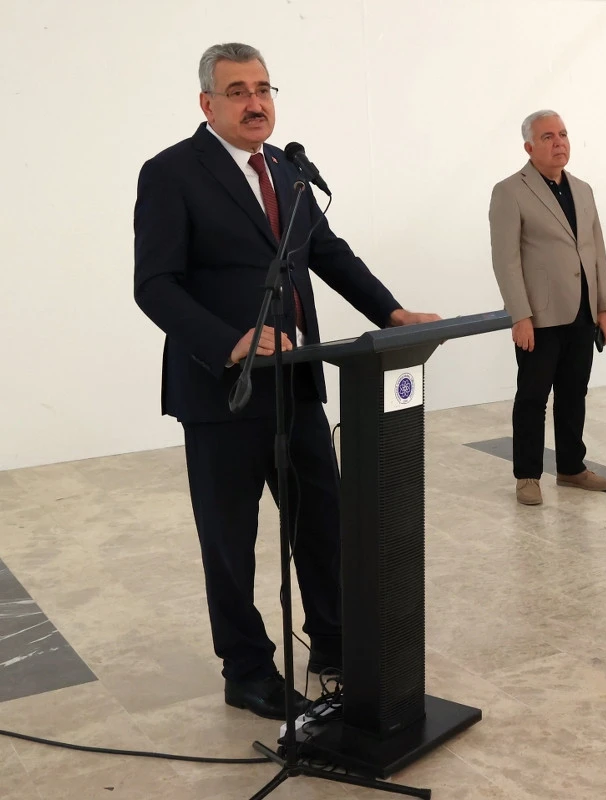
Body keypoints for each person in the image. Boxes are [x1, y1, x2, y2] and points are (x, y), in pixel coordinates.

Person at [132, 43, 439, 720]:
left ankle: (334, 641)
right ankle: (245, 670)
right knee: (231, 540)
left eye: (264, 88)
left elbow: (328, 253)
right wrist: (230, 341)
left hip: (295, 384)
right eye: (238, 90)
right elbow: (153, 285)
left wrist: (391, 313)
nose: (255, 102)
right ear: (207, 104)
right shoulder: (171, 173)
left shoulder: (288, 171)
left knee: (322, 521)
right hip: (222, 390)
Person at [489, 110, 606, 506]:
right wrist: (520, 315)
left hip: (582, 311)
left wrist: (605, 307)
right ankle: (527, 475)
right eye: (548, 137)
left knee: (574, 392)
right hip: (540, 315)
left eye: (562, 134)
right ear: (529, 147)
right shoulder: (510, 191)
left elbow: (597, 251)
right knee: (533, 396)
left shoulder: (583, 190)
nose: (559, 142)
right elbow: (505, 260)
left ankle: (571, 467)